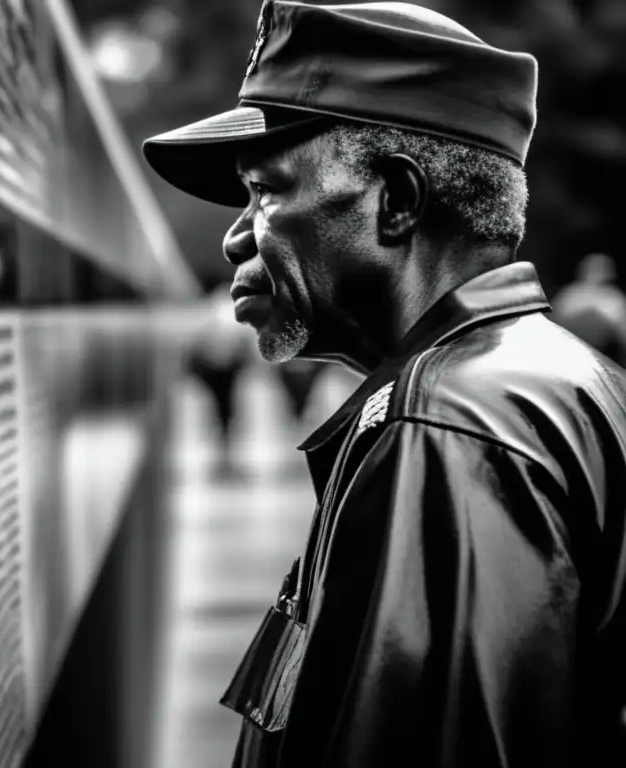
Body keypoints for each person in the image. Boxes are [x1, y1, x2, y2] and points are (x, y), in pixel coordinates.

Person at [142, 3, 626, 766]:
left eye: (265, 190)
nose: (236, 235)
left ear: (395, 202)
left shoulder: (442, 425)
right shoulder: (563, 379)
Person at [185, 282, 253, 477]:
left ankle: (224, 459)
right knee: (225, 417)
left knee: (222, 418)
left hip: (220, 374)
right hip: (223, 374)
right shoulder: (226, 314)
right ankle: (224, 459)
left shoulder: (209, 316)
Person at [550, 252, 626, 368]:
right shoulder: (569, 295)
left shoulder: (614, 297)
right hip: (570, 355)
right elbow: (553, 325)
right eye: (594, 269)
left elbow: (622, 333)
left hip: (606, 357)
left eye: (601, 270)